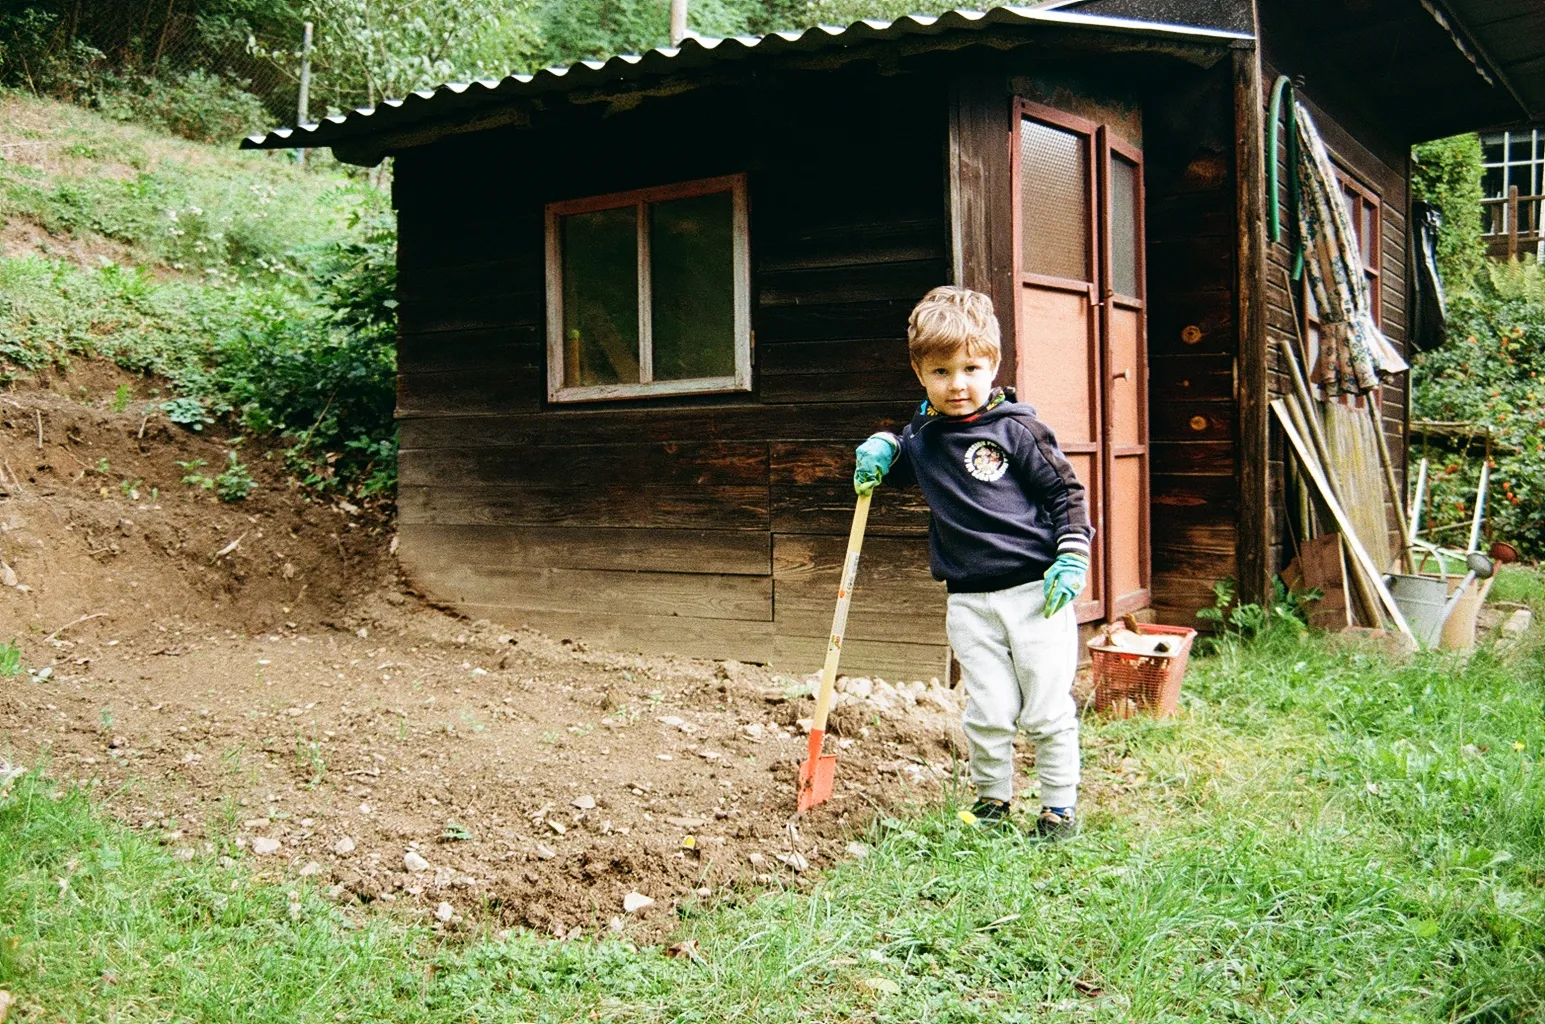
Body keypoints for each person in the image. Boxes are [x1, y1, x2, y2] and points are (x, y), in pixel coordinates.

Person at [853, 286, 1092, 839]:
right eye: (940, 372)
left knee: (1045, 706)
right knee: (987, 709)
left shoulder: (1018, 430)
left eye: (970, 368)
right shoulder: (925, 437)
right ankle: (992, 802)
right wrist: (882, 446)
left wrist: (1072, 556)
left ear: (994, 365)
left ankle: (1058, 808)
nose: (956, 384)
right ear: (919, 373)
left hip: (1036, 592)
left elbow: (1066, 495)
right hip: (967, 599)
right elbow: (899, 448)